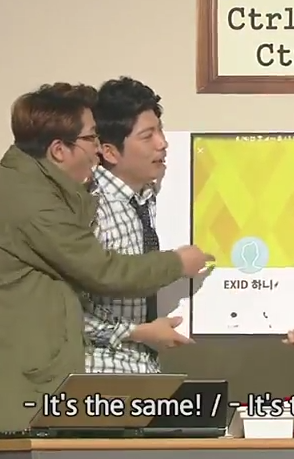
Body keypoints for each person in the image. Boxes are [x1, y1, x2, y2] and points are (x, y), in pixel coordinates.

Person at [0, 82, 213, 459]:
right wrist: (177, 263)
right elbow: (103, 271)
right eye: (90, 139)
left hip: (14, 373)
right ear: (59, 149)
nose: (97, 149)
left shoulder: (44, 188)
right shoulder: (32, 200)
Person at [83, 77, 194, 374]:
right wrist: (137, 332)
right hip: (101, 374)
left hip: (145, 370)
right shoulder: (88, 209)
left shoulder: (155, 198)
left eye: (160, 130)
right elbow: (62, 312)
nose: (162, 143)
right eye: (147, 136)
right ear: (109, 152)